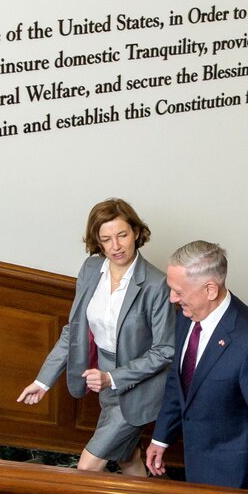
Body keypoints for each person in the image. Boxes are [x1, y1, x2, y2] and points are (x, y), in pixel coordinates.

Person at [17, 198, 174, 476]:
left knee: (87, 467)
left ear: (136, 233)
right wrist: (43, 381)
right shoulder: (91, 269)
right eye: (106, 239)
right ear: (97, 242)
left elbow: (164, 351)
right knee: (128, 459)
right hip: (103, 381)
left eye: (122, 235)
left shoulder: (156, 283)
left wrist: (111, 378)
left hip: (137, 389)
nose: (115, 246)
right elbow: (74, 330)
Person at [145, 241, 248, 492]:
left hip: (234, 477)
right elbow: (177, 379)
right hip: (196, 463)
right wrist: (161, 437)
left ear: (210, 289)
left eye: (178, 291)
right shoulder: (186, 315)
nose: (172, 298)